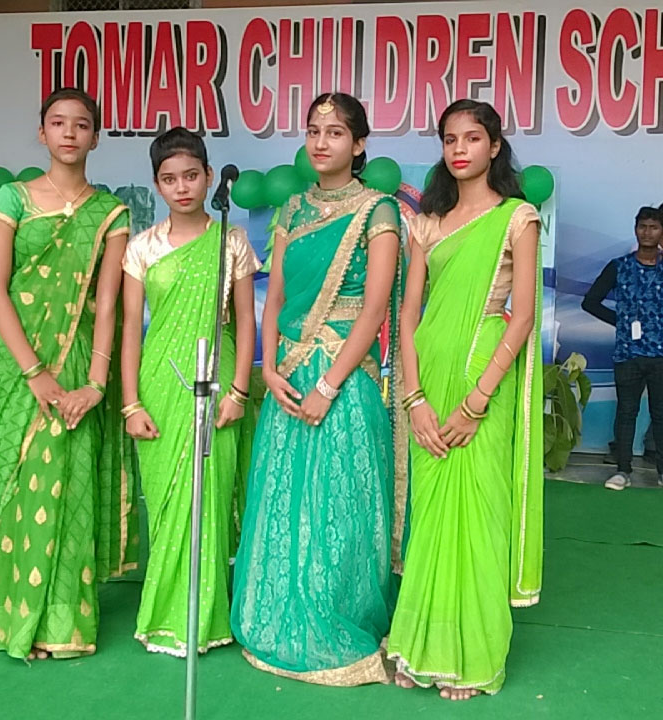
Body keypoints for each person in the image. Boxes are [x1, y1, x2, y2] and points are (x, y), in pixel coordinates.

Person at [231, 92, 405, 686]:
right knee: (285, 499)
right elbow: (274, 296)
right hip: (289, 376)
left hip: (343, 378)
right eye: (313, 130)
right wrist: (271, 369)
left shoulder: (378, 211)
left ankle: (340, 614)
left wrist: (328, 384)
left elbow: (375, 305)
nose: (321, 141)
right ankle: (279, 611)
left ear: (359, 145)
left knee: (341, 503)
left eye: (335, 132)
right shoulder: (292, 209)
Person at [388, 99, 543, 700]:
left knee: (478, 515)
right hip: (429, 375)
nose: (459, 150)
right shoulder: (427, 222)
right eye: (449, 139)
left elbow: (523, 314)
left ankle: (472, 657)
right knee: (430, 520)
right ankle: (421, 643)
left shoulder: (517, 218)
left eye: (472, 138)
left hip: (485, 380)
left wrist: (478, 399)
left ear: (494, 146)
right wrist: (415, 398)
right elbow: (406, 317)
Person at [0, 87, 138, 661]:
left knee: (70, 486)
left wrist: (95, 384)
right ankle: (18, 618)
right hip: (24, 365)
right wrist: (34, 374)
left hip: (79, 369)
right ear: (41, 133)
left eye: (82, 124)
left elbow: (109, 302)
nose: (70, 132)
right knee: (25, 487)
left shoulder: (111, 213)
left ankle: (62, 622)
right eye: (58, 122)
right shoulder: (14, 197)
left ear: (96, 137)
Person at [121, 128, 260, 656]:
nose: (182, 187)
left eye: (191, 176)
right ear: (156, 184)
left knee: (211, 493)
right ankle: (165, 616)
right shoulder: (142, 248)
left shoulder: (232, 241)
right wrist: (131, 402)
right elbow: (132, 327)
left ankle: (205, 618)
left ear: (208, 175)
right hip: (161, 382)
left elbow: (245, 323)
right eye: (169, 179)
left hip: (219, 381)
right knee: (167, 500)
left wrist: (240, 392)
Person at [582, 206, 663, 489]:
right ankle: (623, 470)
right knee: (626, 413)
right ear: (635, 229)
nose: (647, 232)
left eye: (654, 227)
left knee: (660, 413)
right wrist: (621, 322)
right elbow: (590, 301)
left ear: (661, 231)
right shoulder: (620, 266)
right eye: (642, 226)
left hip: (661, 356)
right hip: (627, 354)